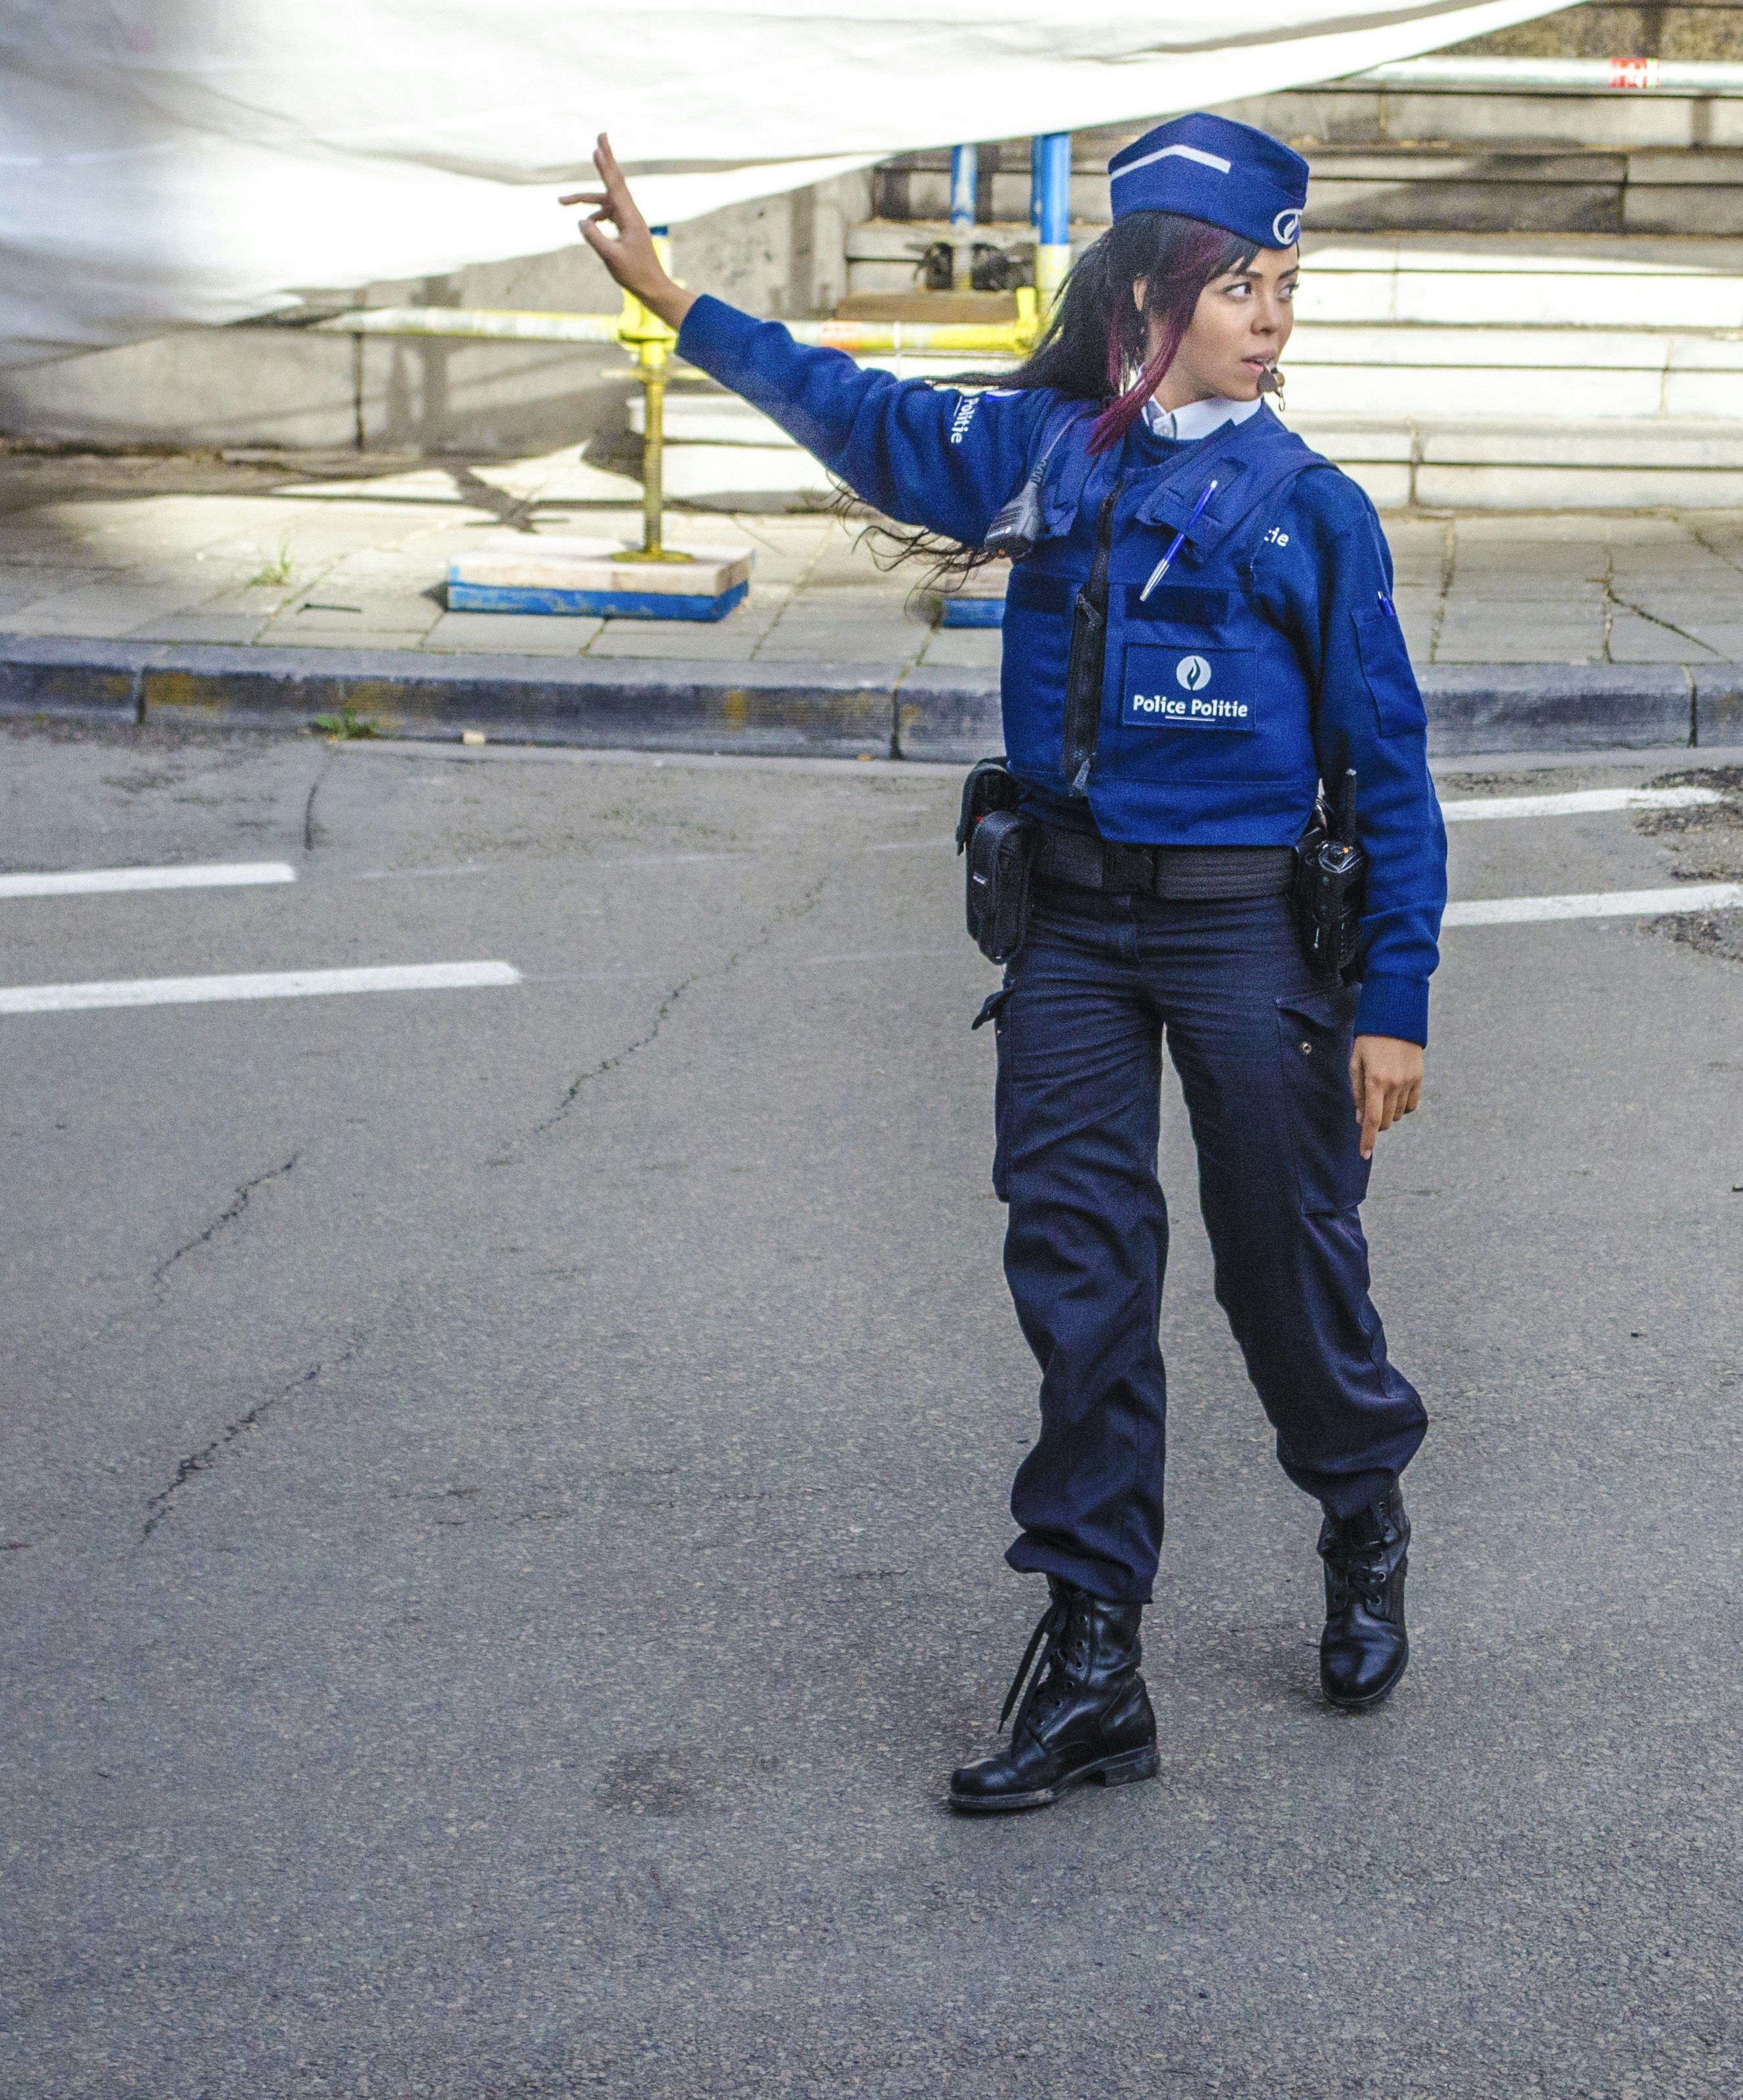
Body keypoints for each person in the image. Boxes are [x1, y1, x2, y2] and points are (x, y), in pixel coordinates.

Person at [569, 115, 1447, 1813]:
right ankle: (1096, 1653)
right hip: (1067, 934)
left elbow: (1388, 775)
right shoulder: (1046, 456)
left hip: (1246, 933)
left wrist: (1392, 1003)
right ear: (1154, 297)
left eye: (1287, 286)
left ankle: (1359, 1501)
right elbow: (858, 411)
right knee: (1079, 1278)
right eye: (1243, 287)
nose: (1276, 317)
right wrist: (680, 304)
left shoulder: (1308, 514)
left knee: (1284, 1273)